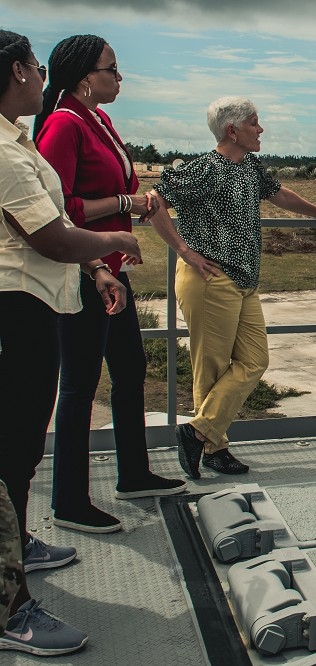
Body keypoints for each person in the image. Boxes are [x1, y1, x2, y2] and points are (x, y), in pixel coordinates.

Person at [0, 29, 142, 655]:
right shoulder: (24, 142)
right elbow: (52, 234)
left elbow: (50, 221)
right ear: (14, 73)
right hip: (17, 305)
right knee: (15, 439)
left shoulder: (21, 138)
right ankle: (11, 604)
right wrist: (119, 238)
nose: (39, 72)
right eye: (31, 64)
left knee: (26, 436)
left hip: (46, 297)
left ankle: (18, 545)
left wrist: (96, 268)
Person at [33, 34, 186, 535]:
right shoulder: (62, 125)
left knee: (130, 367)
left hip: (110, 269)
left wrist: (130, 204)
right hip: (83, 272)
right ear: (84, 78)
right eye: (112, 69)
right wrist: (124, 206)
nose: (119, 78)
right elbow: (60, 209)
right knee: (79, 385)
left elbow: (120, 186)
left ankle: (133, 474)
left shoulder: (98, 119)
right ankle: (70, 501)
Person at [147, 96, 316, 479]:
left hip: (244, 279)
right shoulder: (203, 169)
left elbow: (279, 193)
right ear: (232, 130)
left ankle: (199, 431)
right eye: (254, 122)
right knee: (212, 369)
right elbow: (155, 203)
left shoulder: (250, 166)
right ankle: (214, 448)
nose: (261, 128)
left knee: (255, 360)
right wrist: (184, 251)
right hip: (209, 279)